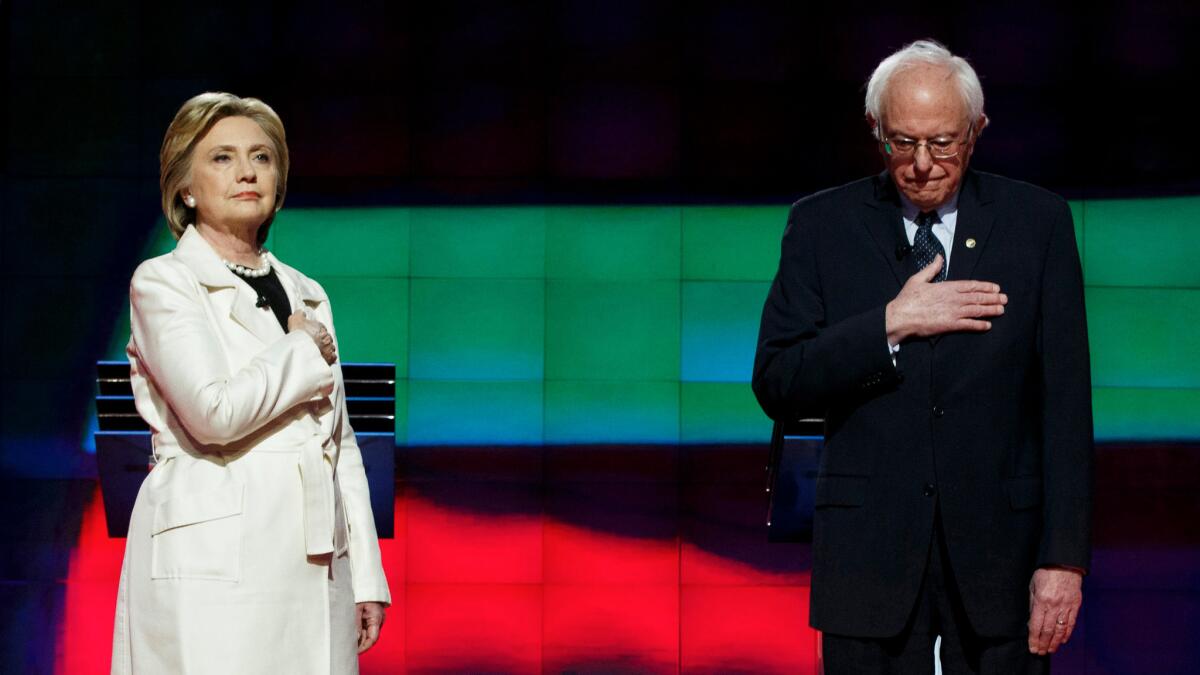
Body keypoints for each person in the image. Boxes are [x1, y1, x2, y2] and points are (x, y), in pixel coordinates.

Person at [753, 40, 1092, 674]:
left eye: (943, 143)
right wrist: (889, 324)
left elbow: (1066, 406)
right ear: (875, 130)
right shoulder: (821, 225)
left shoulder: (1037, 223)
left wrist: (1064, 559)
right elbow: (777, 379)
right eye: (902, 142)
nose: (922, 165)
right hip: (866, 557)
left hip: (1003, 558)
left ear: (977, 131)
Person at [111, 92, 391, 674]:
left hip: (317, 563)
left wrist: (365, 571)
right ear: (185, 187)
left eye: (261, 157)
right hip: (214, 558)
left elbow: (339, 443)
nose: (246, 171)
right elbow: (214, 413)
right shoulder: (165, 281)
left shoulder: (307, 291)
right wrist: (301, 347)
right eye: (222, 158)